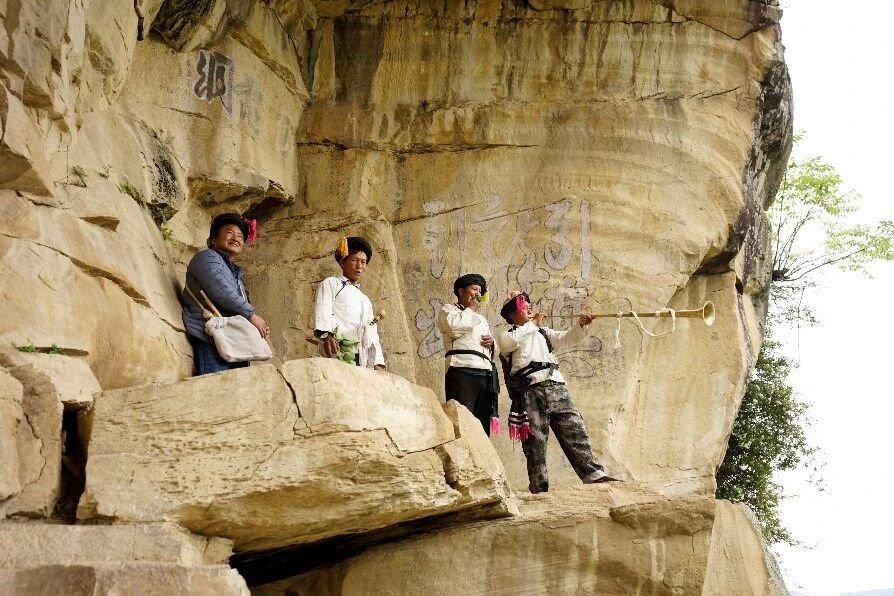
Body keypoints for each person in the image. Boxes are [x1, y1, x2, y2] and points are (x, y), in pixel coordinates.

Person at [497, 292, 618, 493]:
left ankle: (593, 474)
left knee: (574, 428)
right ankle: (539, 486)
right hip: (530, 390)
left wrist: (581, 325)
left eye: (529, 305)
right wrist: (534, 323)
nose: (528, 308)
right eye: (523, 307)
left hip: (556, 386)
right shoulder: (508, 335)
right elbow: (507, 344)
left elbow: (566, 338)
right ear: (511, 315)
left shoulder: (543, 332)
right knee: (535, 442)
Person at [182, 213, 269, 375]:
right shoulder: (206, 257)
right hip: (211, 338)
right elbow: (221, 290)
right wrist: (252, 316)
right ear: (213, 240)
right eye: (229, 233)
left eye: (240, 236)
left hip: (233, 339)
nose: (236, 238)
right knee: (215, 387)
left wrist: (256, 325)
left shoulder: (234, 272)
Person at [438, 274, 500, 436]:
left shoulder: (481, 319)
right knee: (462, 421)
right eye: (474, 289)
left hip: (485, 373)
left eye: (480, 291)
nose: (478, 294)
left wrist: (493, 343)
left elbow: (494, 351)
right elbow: (453, 328)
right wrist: (470, 310)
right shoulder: (448, 310)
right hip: (461, 370)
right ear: (461, 291)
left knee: (482, 425)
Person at [313, 236, 385, 370]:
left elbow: (372, 333)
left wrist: (377, 362)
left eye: (363, 262)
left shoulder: (365, 300)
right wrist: (327, 335)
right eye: (354, 260)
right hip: (337, 348)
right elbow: (323, 308)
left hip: (361, 356)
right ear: (342, 262)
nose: (359, 266)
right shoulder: (331, 283)